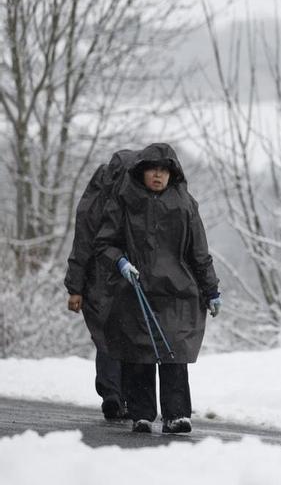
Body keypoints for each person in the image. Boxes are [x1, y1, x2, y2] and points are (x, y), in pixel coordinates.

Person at [94, 143, 221, 434]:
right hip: (134, 289)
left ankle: (176, 415)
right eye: (153, 169)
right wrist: (121, 262)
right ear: (142, 172)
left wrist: (211, 290)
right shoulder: (123, 201)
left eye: (164, 170)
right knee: (139, 352)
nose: (158, 175)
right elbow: (105, 243)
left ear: (172, 175)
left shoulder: (186, 205)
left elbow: (199, 252)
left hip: (178, 292)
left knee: (172, 350)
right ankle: (142, 413)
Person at [65, 149, 139, 420]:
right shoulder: (130, 200)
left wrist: (76, 287)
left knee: (107, 340)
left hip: (99, 282)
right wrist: (75, 288)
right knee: (126, 340)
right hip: (119, 280)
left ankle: (112, 394)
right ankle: (124, 397)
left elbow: (81, 244)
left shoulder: (93, 200)